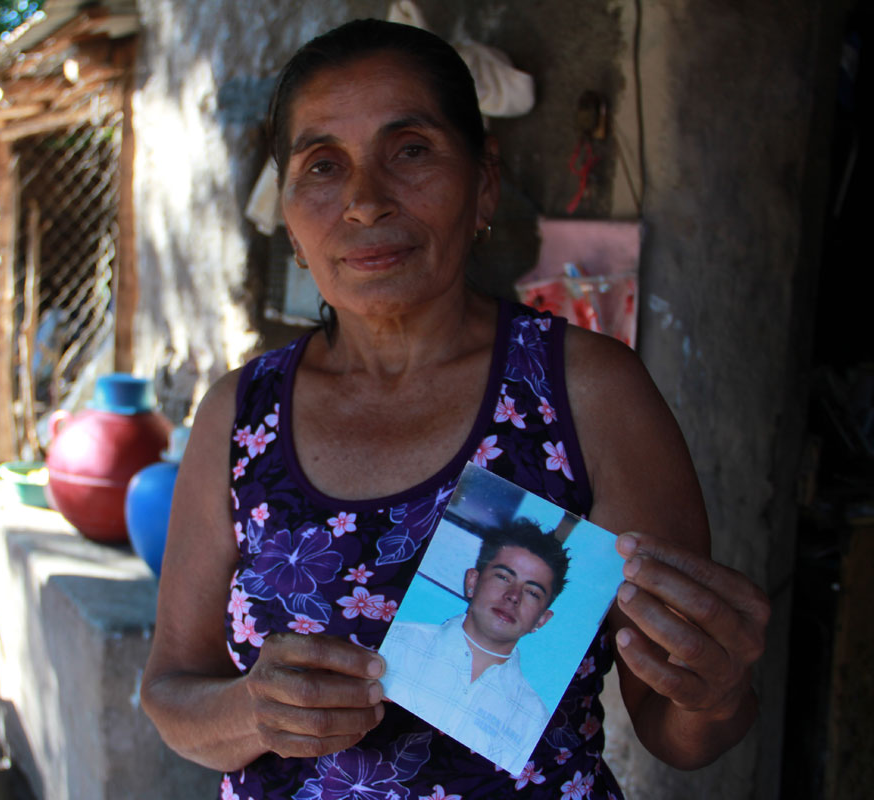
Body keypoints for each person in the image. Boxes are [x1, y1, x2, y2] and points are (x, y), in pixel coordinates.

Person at [141, 18, 770, 799]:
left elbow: (675, 731)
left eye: (410, 151)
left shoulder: (588, 396)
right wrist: (254, 712)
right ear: (293, 227)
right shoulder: (241, 416)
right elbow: (171, 693)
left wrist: (715, 691)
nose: (366, 203)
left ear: (484, 186)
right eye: (323, 166)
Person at [379, 519, 571, 776]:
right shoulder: (395, 642)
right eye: (504, 577)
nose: (514, 596)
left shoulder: (534, 719)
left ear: (541, 620)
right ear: (472, 581)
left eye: (532, 592)